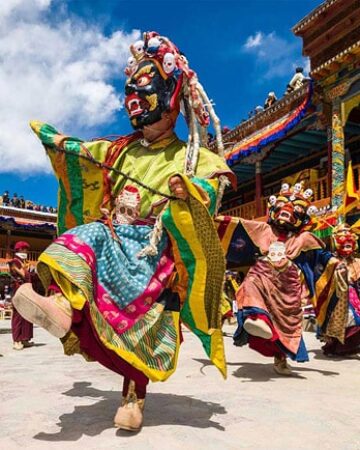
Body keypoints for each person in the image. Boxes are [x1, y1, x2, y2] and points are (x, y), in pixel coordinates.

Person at [13, 31, 235, 432]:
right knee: (89, 235)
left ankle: (134, 395)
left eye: (146, 87)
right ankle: (63, 306)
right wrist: (57, 140)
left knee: (145, 330)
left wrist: (190, 192)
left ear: (172, 96)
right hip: (114, 238)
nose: (134, 95)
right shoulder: (119, 150)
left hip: (155, 253)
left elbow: (213, 184)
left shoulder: (194, 156)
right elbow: (84, 152)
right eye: (131, 88)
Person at [216, 183, 326, 375]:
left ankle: (281, 359)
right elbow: (235, 225)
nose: (288, 210)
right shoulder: (263, 230)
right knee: (249, 284)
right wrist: (207, 221)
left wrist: (336, 263)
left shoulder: (304, 238)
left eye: (297, 209)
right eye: (283, 205)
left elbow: (322, 256)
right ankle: (255, 318)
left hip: (287, 285)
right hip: (263, 272)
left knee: (286, 321)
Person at [315, 224, 360, 357]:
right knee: (345, 321)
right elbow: (321, 278)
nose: (347, 249)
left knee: (354, 321)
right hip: (336, 295)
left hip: (353, 294)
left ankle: (344, 348)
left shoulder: (357, 261)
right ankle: (336, 347)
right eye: (344, 245)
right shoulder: (330, 260)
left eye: (349, 246)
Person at [9, 241, 34, 350]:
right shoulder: (14, 262)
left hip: (26, 290)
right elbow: (23, 275)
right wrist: (26, 268)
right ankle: (16, 341)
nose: (26, 252)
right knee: (18, 316)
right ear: (19, 250)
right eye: (25, 249)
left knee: (27, 315)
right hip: (18, 291)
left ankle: (25, 338)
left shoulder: (24, 262)